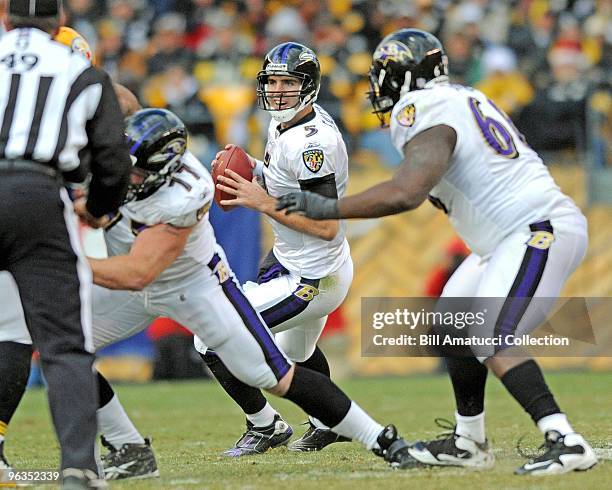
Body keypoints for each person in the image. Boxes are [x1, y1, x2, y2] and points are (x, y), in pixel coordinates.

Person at [1, 107, 418, 477]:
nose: (127, 179)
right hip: (132, 287)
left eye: (137, 174)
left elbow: (138, 271)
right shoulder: (118, 162)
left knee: (274, 376)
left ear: (164, 171)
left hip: (194, 288)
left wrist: (55, 258)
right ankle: (129, 448)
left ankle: (383, 439)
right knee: (65, 347)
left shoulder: (183, 195)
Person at [277, 28, 598, 476]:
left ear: (405, 77)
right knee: (451, 323)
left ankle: (564, 439)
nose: (378, 89)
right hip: (505, 237)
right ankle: (469, 441)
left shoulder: (422, 106)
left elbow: (407, 192)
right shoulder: (458, 97)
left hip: (534, 228)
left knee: (489, 334)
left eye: (384, 76)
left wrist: (328, 206)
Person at [193, 41, 354, 456]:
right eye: (273, 82)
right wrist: (255, 169)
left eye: (289, 83)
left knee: (210, 337)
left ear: (310, 86)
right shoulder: (284, 126)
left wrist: (261, 200)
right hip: (293, 260)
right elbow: (286, 183)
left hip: (313, 277)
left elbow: (324, 223)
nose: (279, 91)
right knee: (296, 352)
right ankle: (327, 423)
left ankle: (265, 426)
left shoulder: (311, 143)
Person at [0, 1, 131, 488]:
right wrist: (98, 207)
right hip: (37, 193)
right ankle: (78, 466)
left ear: (7, 19)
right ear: (59, 22)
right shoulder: (80, 72)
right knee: (63, 347)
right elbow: (113, 156)